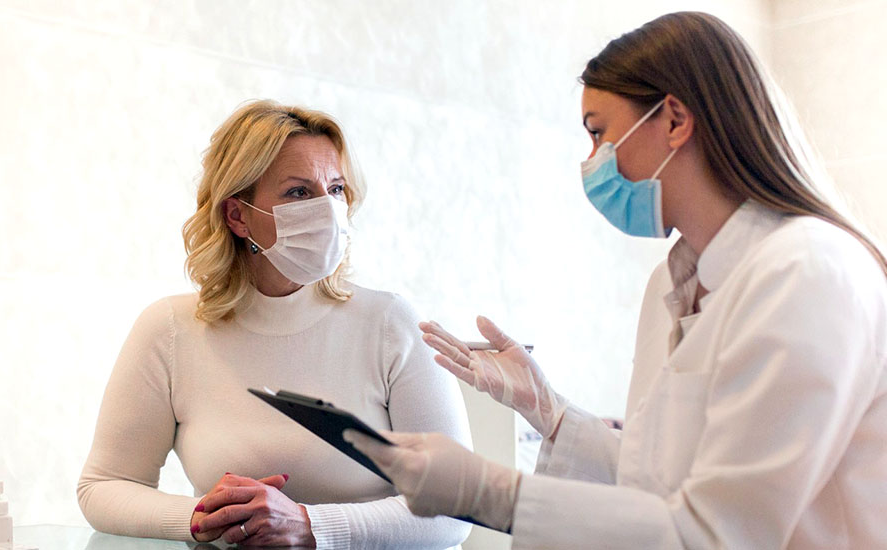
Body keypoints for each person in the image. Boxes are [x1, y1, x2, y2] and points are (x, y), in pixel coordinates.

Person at [346, 11, 887, 549]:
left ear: (675, 119)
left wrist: (483, 490)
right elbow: (654, 490)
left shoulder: (807, 271)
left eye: (599, 133)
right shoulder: (671, 286)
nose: (591, 163)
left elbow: (718, 532)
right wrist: (548, 411)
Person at [77, 100, 473, 549]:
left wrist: (308, 526)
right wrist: (205, 516)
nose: (327, 209)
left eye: (337, 189)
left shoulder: (390, 323)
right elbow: (104, 487)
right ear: (237, 215)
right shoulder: (169, 329)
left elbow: (454, 503)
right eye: (299, 192)